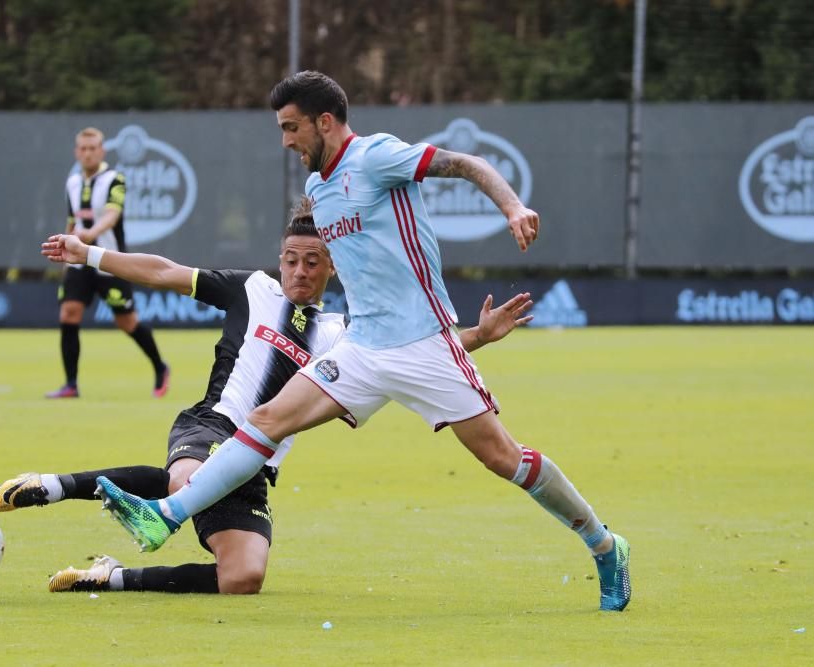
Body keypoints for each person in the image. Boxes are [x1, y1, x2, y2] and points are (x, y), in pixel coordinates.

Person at [95, 71, 632, 612]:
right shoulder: (317, 189)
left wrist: (512, 207)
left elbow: (467, 164)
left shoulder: (376, 157)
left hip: (425, 344)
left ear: (323, 122)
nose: (285, 141)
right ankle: (167, 514)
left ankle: (605, 546)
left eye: (291, 127)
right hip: (361, 349)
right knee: (265, 421)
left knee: (504, 459)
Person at [0, 197, 534, 594]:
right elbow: (163, 271)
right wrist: (88, 253)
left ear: (333, 266)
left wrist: (478, 336)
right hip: (209, 427)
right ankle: (57, 486)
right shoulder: (252, 289)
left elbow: (414, 352)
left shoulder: (349, 334)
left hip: (258, 465)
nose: (299, 271)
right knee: (192, 478)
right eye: (291, 259)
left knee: (243, 578)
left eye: (313, 262)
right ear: (280, 259)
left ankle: (111, 577)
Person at [46, 126, 169, 399]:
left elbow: (111, 215)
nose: (88, 154)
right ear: (77, 152)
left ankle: (160, 367)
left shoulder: (115, 179)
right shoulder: (72, 183)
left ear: (101, 151)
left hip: (108, 261)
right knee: (69, 313)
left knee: (126, 322)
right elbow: (72, 220)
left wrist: (90, 235)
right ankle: (71, 384)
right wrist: (63, 250)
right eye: (83, 149)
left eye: (93, 148)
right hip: (78, 262)